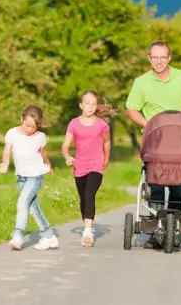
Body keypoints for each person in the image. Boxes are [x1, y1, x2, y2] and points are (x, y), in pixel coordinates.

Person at [125, 40, 181, 247]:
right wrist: (148, 123)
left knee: (179, 183)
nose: (159, 61)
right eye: (155, 57)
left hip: (180, 140)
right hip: (156, 142)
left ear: (169, 58)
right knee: (155, 183)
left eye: (162, 57)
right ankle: (157, 228)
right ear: (149, 59)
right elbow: (131, 108)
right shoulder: (141, 82)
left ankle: (174, 227)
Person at [0, 105, 59, 251]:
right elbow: (7, 151)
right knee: (32, 207)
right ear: (21, 119)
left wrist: (48, 165)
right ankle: (49, 235)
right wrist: (5, 164)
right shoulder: (12, 133)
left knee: (22, 202)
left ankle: (17, 235)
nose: (30, 129)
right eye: (28, 125)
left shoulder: (40, 137)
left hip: (35, 176)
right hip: (21, 177)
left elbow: (43, 153)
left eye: (34, 127)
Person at [61, 90, 117, 247]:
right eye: (87, 104)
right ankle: (87, 223)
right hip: (79, 166)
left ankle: (87, 231)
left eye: (93, 104)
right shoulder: (74, 123)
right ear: (81, 105)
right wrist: (67, 156)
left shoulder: (102, 125)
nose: (90, 107)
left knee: (89, 193)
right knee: (83, 198)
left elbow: (106, 142)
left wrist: (106, 159)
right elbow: (65, 145)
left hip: (96, 166)